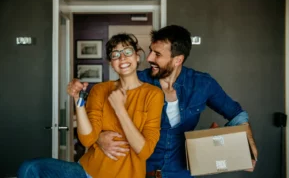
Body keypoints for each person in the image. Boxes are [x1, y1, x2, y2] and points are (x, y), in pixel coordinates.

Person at [68, 25, 258, 178]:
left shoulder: (202, 84)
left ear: (177, 60)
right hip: (143, 171)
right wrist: (97, 139)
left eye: (157, 54)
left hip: (182, 172)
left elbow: (237, 113)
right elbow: (104, 114)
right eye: (150, 51)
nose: (149, 58)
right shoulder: (138, 81)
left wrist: (249, 150)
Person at [17, 33, 164, 178]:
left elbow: (144, 151)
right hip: (87, 172)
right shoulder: (100, 90)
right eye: (115, 54)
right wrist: (78, 99)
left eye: (127, 52)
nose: (122, 58)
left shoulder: (153, 94)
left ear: (137, 56)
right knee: (30, 168)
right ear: (111, 63)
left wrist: (119, 109)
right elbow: (87, 139)